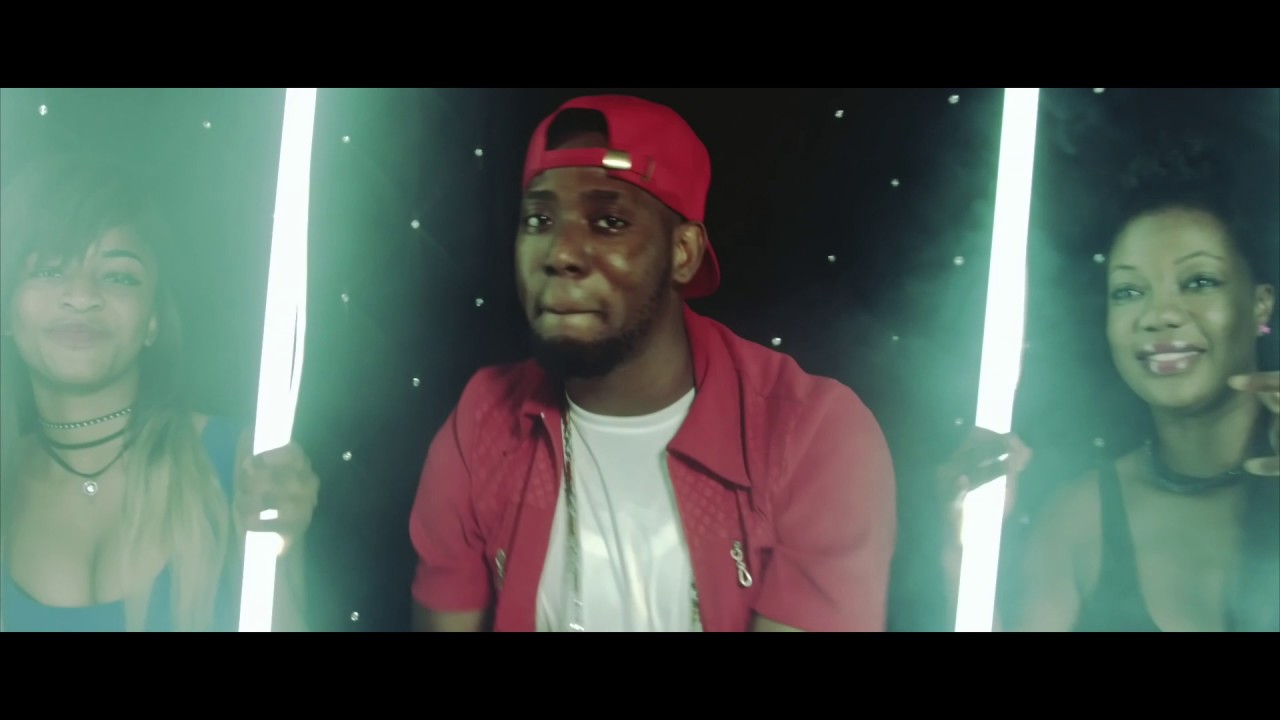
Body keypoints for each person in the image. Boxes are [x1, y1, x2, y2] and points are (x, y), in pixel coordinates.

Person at [408, 94, 896, 632]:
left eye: (609, 221)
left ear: (683, 253)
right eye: (539, 219)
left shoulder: (811, 434)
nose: (560, 253)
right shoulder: (484, 420)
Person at [939, 136, 1280, 632]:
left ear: (1260, 304)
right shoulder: (1080, 523)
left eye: (1199, 281)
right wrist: (964, 556)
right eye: (1129, 291)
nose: (1159, 315)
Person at [0, 154, 320, 632]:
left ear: (152, 320)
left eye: (119, 276)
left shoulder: (242, 464)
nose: (81, 295)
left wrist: (281, 550)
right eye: (48, 271)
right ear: (7, 310)